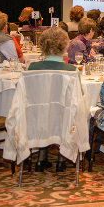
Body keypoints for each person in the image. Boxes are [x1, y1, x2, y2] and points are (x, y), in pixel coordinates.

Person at [26, 26, 77, 171]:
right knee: (64, 113)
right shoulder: (72, 71)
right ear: (65, 46)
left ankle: (41, 158)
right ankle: (62, 159)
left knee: (45, 112)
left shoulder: (32, 68)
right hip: (63, 117)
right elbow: (79, 98)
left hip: (37, 117)